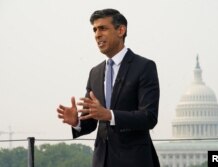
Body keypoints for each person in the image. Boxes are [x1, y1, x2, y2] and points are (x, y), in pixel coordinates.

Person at [57, 8, 160, 167]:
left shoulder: (144, 67)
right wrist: (77, 121)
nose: (97, 34)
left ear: (121, 30)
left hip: (135, 160)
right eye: (95, 30)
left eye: (103, 28)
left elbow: (149, 117)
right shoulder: (95, 73)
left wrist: (109, 115)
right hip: (102, 160)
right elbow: (91, 121)